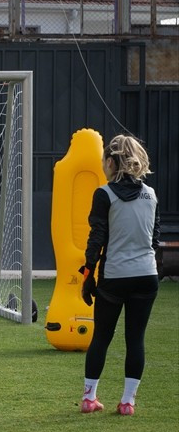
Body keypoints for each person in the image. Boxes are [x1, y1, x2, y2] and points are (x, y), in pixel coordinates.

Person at [78, 134, 160, 416]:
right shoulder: (151, 194)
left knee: (101, 336)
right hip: (147, 275)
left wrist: (88, 275)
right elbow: (154, 239)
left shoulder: (104, 194)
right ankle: (127, 403)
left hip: (114, 276)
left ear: (112, 162)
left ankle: (89, 399)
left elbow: (96, 238)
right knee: (135, 338)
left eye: (104, 160)